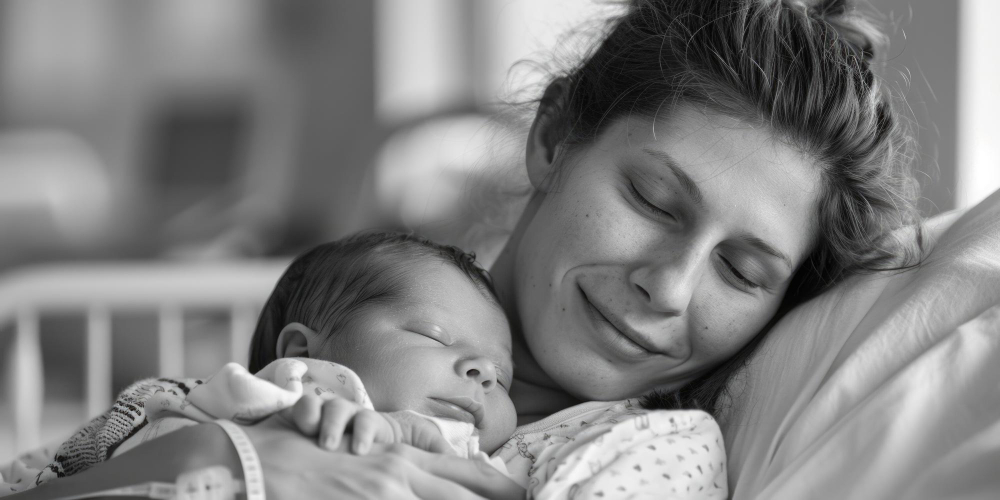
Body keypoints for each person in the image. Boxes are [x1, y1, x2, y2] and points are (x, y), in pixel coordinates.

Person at [9, 0, 922, 498]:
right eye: (650, 198)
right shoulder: (354, 322)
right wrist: (217, 462)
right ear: (556, 138)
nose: (669, 286)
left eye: (742, 271)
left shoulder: (649, 456)